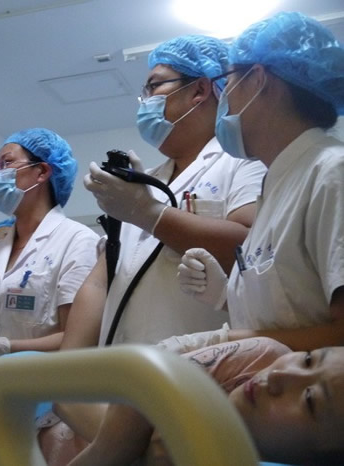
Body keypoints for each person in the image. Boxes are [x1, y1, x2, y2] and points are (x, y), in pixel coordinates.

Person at [61, 34, 267, 351]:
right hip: (119, 368)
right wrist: (68, 369)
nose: (145, 101)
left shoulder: (244, 162)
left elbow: (251, 250)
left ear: (199, 90)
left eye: (154, 86)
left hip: (197, 369)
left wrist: (149, 213)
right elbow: (100, 282)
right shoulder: (146, 181)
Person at [172, 11, 344, 353]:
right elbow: (295, 309)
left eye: (228, 81)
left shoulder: (331, 173)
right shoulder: (278, 185)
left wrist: (224, 344)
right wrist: (227, 296)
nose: (224, 99)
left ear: (259, 80)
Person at [67, 338, 344, 466]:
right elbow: (143, 384)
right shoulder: (260, 356)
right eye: (308, 359)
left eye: (310, 399)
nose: (278, 376)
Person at [0, 128, 100, 359]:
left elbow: (78, 337)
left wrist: (4, 347)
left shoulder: (78, 241)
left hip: (42, 379)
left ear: (42, 171)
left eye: (7, 163)